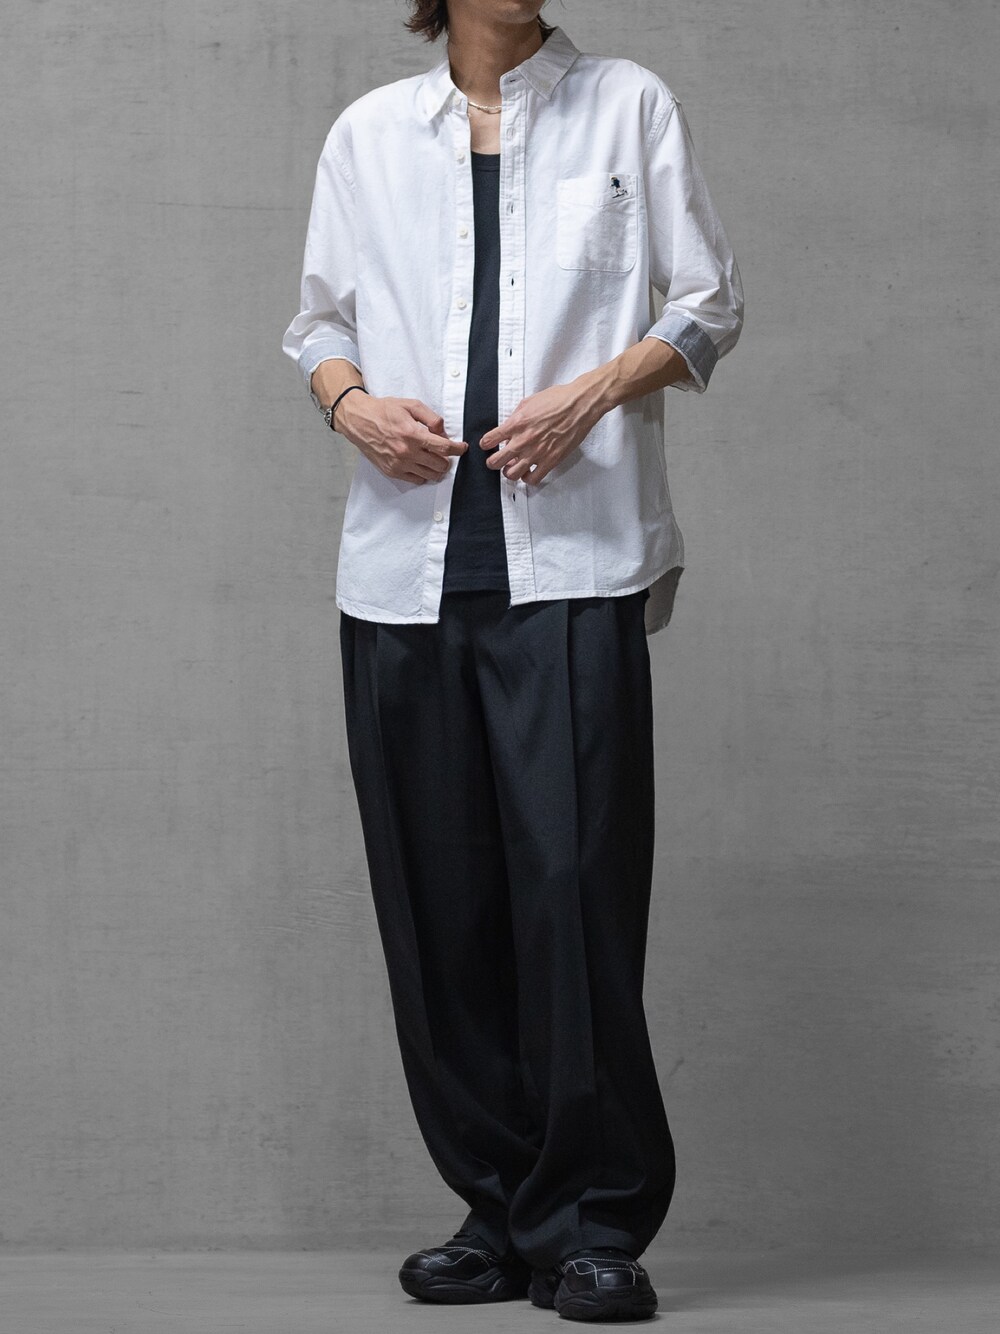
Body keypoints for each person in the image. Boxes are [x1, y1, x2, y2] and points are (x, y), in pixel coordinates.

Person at [282, 0, 743, 1321]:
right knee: (443, 910)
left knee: (573, 892)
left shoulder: (630, 107)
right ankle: (496, 1210)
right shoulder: (370, 134)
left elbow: (710, 303)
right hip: (404, 574)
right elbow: (317, 326)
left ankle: (590, 1222)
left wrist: (591, 394)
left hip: (574, 567)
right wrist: (353, 406)